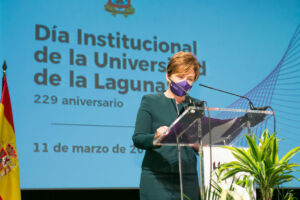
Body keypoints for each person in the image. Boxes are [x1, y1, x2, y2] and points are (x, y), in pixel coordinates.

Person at [132, 51, 201, 200]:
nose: (185, 83)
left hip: (188, 179)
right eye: (180, 77)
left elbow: (202, 143)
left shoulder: (196, 106)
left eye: (190, 79)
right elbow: (138, 138)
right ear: (168, 76)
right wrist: (156, 137)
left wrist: (199, 146)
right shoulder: (150, 101)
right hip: (157, 179)